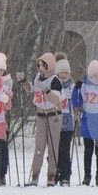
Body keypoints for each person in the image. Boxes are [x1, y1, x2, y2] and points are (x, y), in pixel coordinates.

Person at [26, 52, 62, 186]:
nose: (41, 68)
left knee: (53, 147)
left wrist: (47, 90)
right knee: (39, 146)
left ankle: (51, 175)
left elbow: (56, 99)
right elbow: (32, 89)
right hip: (41, 114)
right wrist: (23, 81)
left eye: (43, 65)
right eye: (39, 65)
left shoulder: (55, 80)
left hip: (54, 115)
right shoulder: (37, 78)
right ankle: (34, 175)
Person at [55, 58, 76, 186]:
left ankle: (65, 176)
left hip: (68, 123)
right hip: (55, 122)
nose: (64, 75)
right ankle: (56, 173)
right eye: (61, 73)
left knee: (65, 150)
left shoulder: (72, 86)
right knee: (56, 150)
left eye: (66, 73)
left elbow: (77, 103)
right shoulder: (54, 84)